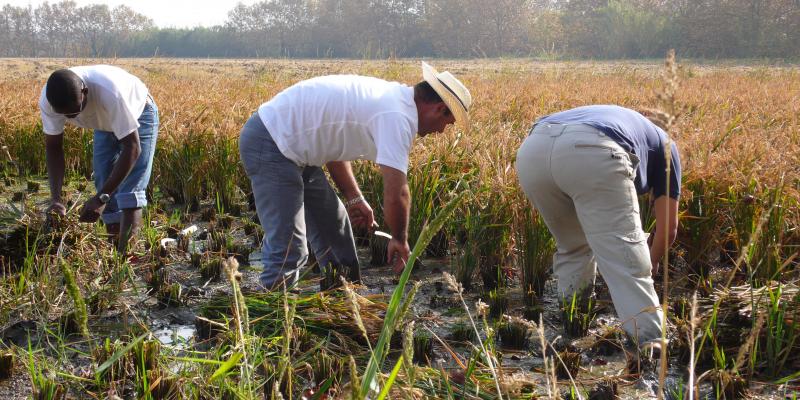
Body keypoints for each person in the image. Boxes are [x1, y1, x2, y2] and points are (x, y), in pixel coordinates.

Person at [239, 62, 471, 290]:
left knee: (335, 225)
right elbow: (398, 192)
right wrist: (399, 239)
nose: (441, 131)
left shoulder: (393, 100)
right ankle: (275, 317)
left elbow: (331, 142)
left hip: (293, 145)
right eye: (447, 123)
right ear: (439, 108)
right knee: (290, 246)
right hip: (271, 142)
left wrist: (354, 197)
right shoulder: (397, 116)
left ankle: (343, 297)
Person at [515, 105, 680, 346]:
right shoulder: (667, 146)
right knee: (624, 260)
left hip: (533, 150)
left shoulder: (619, 122)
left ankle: (573, 325)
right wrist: (651, 262)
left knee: (573, 246)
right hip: (591, 150)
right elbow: (668, 229)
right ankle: (650, 344)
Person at [40, 65, 159, 256]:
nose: (72, 117)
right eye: (65, 114)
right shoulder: (49, 100)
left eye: (75, 110)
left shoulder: (110, 93)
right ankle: (115, 252)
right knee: (104, 179)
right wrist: (56, 199)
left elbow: (133, 147)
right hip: (103, 123)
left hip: (139, 113)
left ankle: (126, 262)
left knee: (130, 190)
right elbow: (53, 147)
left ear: (85, 92)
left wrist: (101, 198)